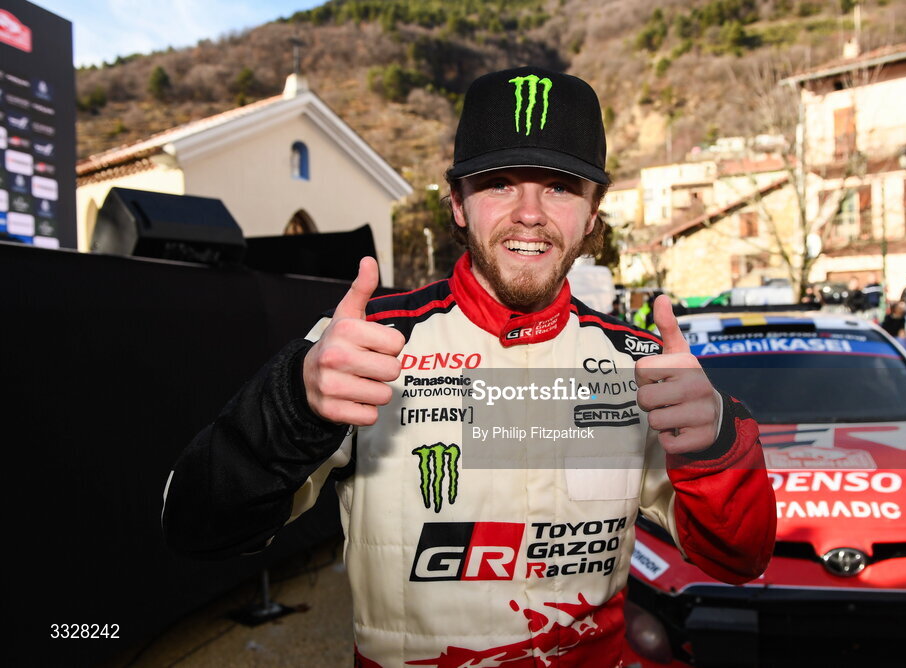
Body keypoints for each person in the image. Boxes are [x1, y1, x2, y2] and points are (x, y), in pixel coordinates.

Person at [161, 67, 775, 667]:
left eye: (559, 187)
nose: (529, 213)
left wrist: (719, 444)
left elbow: (740, 560)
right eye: (500, 183)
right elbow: (196, 527)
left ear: (592, 216)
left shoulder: (641, 362)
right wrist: (292, 402)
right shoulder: (367, 343)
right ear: (457, 203)